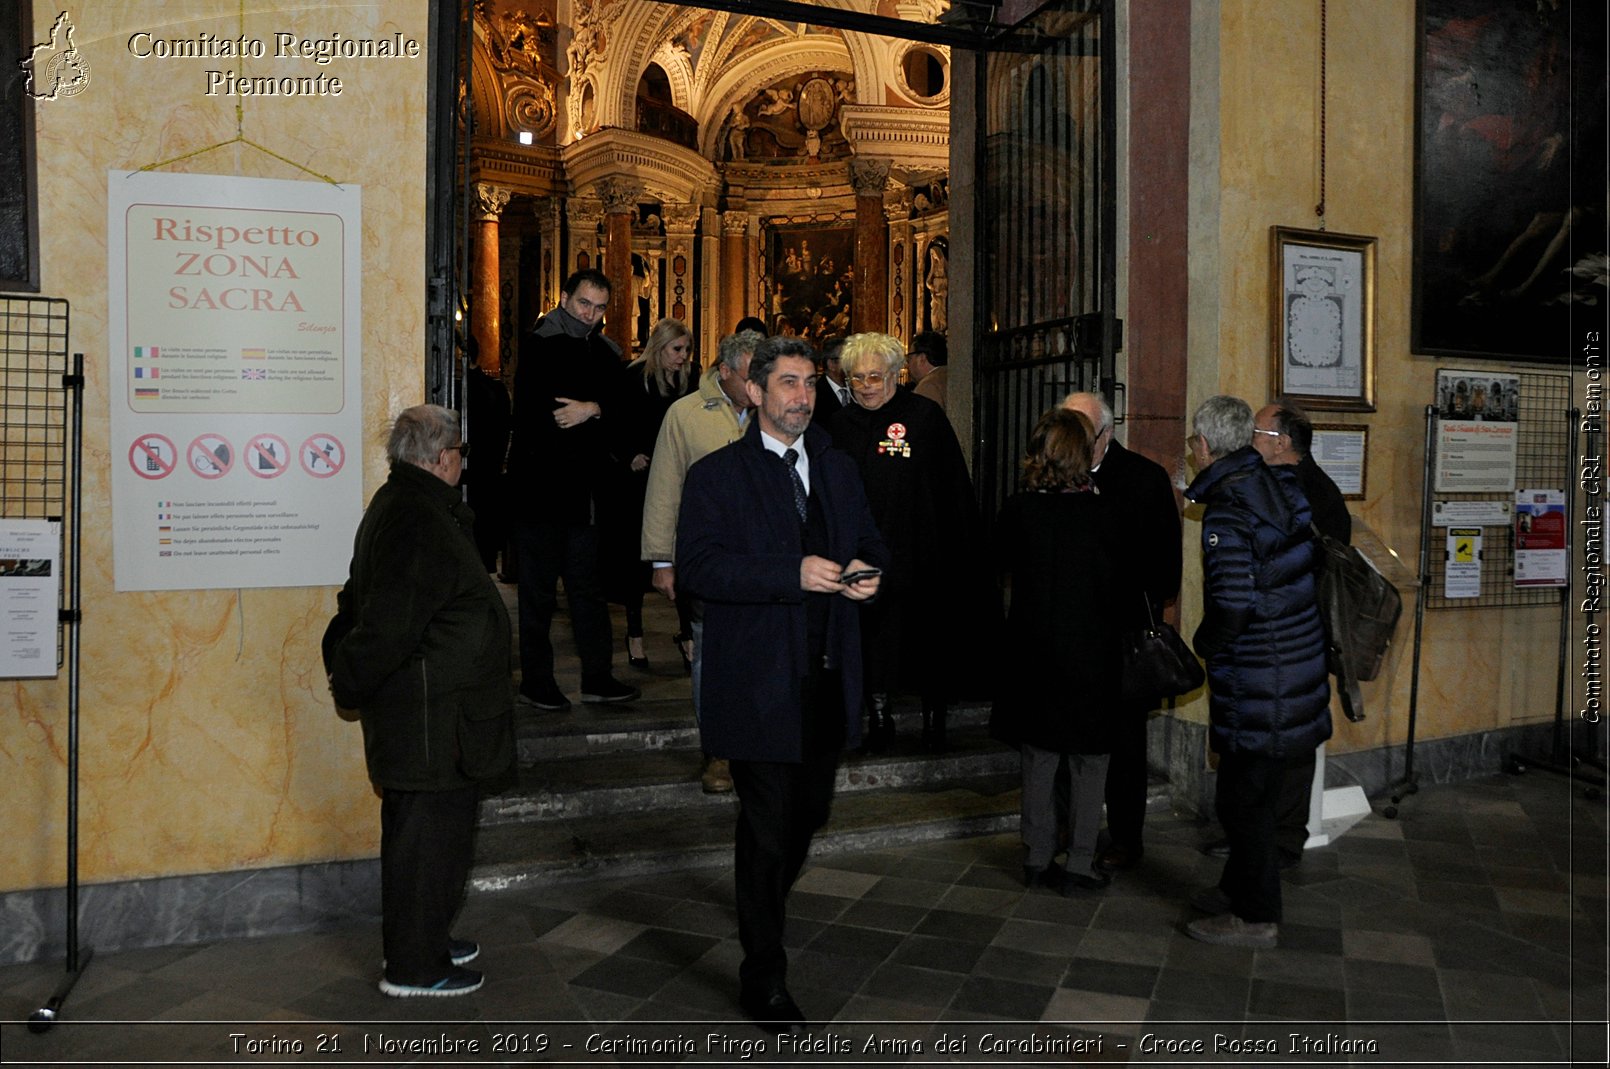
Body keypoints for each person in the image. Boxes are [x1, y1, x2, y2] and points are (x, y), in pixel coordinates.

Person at [676, 335, 888, 1032]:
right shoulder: (717, 476)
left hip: (827, 678)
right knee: (768, 831)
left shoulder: (837, 466)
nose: (802, 395)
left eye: (809, 382)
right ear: (756, 392)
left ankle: (763, 896)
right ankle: (762, 970)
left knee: (809, 816)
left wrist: (868, 570)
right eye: (788, 382)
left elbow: (873, 541)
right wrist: (787, 575)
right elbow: (702, 569)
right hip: (760, 683)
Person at [322, 404, 515, 997]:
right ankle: (413, 965)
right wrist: (348, 678)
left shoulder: (411, 504)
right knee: (427, 844)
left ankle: (425, 935)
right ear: (439, 458)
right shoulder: (416, 519)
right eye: (459, 451)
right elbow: (387, 623)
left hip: (438, 715)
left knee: (433, 840)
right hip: (432, 720)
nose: (462, 461)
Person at [1182, 395, 1331, 948]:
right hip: (1292, 668)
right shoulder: (1280, 487)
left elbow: (1235, 603)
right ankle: (1235, 889)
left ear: (1203, 446)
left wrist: (1204, 644)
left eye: (1192, 442)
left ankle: (1255, 916)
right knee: (1256, 796)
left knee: (1242, 803)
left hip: (1258, 677)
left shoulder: (1227, 509)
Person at [1201, 399, 1354, 869]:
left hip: (1289, 644)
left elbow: (1321, 571)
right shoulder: (1269, 486)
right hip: (1287, 642)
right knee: (1269, 752)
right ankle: (1259, 841)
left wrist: (1214, 639)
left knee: (1283, 752)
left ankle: (1279, 842)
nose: (1249, 441)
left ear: (1282, 443)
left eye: (1258, 434)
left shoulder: (1308, 492)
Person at [828, 332, 986, 753]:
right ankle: (879, 717)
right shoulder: (839, 425)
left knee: (929, 639)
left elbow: (951, 484)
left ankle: (935, 721)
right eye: (856, 378)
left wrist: (961, 544)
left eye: (874, 376)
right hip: (864, 558)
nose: (866, 386)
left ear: (896, 372)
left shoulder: (923, 417)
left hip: (921, 551)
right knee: (872, 641)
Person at [990, 408, 1122, 894]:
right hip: (1092, 656)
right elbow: (1125, 588)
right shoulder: (1106, 514)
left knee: (1039, 758)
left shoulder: (1019, 510)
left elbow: (997, 566)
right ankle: (1081, 862)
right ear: (1084, 455)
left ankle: (1037, 855)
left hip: (1034, 654)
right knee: (1090, 764)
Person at [1059, 392, 1181, 872]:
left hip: (1122, 638)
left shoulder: (1143, 479)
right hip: (1070, 637)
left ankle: (1127, 839)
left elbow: (1165, 570)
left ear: (1105, 434)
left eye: (1079, 432)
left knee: (1126, 747)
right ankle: (1070, 827)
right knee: (1067, 738)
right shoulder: (1054, 475)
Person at [508, 268, 639, 710]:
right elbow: (539, 414)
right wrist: (590, 414)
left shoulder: (605, 353)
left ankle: (597, 676)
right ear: (564, 298)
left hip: (585, 495)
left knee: (587, 589)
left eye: (600, 308)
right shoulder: (540, 344)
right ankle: (536, 681)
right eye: (584, 304)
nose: (591, 314)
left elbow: (621, 414)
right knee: (538, 592)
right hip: (541, 491)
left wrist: (593, 408)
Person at [641, 330, 761, 793]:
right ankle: (719, 751)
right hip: (708, 561)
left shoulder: (775, 409)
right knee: (709, 654)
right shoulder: (685, 414)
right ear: (724, 371)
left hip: (765, 560)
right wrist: (660, 559)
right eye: (750, 378)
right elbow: (664, 488)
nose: (757, 388)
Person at [600, 318, 697, 671]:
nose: (682, 357)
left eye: (686, 350)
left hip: (679, 477)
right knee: (636, 562)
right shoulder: (632, 377)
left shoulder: (689, 380)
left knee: (683, 556)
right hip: (639, 481)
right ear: (660, 347)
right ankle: (635, 634)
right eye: (677, 350)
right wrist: (630, 455)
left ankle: (687, 635)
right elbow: (613, 424)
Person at [906, 331, 949, 410]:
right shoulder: (952, 376)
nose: (907, 364)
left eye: (909, 358)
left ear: (922, 358)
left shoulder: (927, 386)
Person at [813, 335, 848, 419]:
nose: (852, 363)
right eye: (847, 359)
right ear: (831, 364)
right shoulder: (816, 395)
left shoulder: (857, 389)